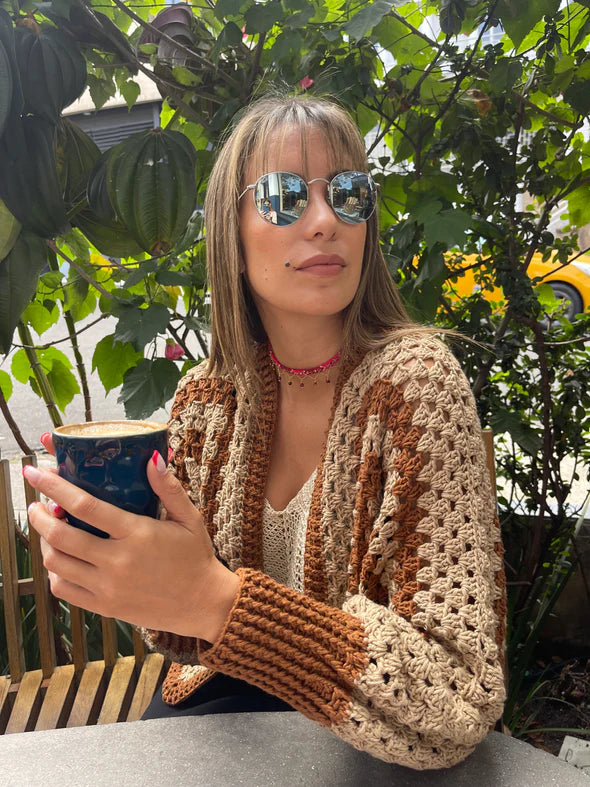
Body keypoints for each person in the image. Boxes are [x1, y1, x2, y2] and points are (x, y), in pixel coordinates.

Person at [26, 95, 506, 770]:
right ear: (231, 232)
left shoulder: (416, 386)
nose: (325, 221)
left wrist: (217, 602)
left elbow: (454, 694)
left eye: (348, 194)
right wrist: (119, 550)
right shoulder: (206, 398)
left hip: (369, 751)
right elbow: (178, 632)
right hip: (226, 726)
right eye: (284, 197)